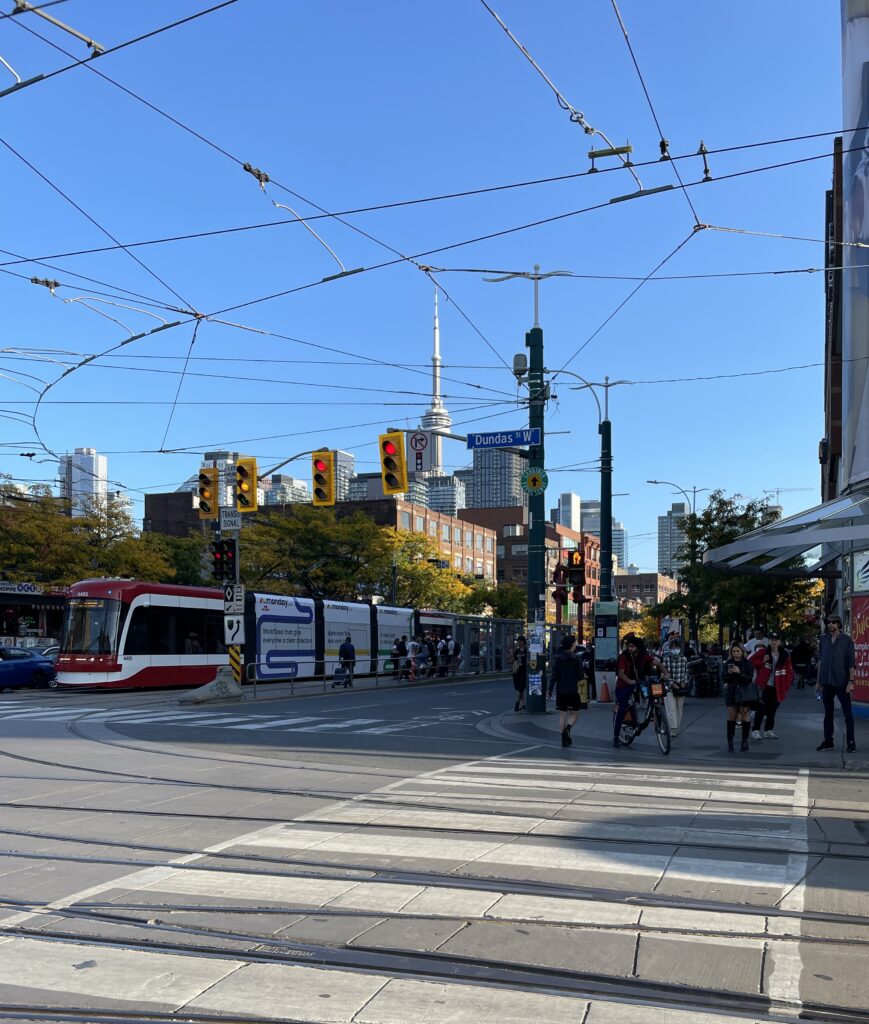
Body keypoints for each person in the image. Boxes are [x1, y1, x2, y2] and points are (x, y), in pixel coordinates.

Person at [816, 616, 857, 753]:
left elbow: (851, 664)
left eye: (833, 622)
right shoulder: (824, 640)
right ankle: (828, 741)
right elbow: (821, 661)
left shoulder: (846, 641)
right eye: (828, 623)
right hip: (827, 682)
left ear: (839, 624)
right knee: (828, 713)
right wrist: (818, 681)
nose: (830, 625)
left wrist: (851, 682)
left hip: (842, 682)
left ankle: (851, 742)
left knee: (848, 714)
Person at [613, 634, 662, 749]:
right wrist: (629, 681)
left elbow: (657, 663)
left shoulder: (643, 655)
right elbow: (621, 673)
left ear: (638, 648)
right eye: (628, 646)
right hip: (624, 685)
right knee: (622, 708)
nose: (629, 648)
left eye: (632, 646)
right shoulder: (624, 657)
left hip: (639, 682)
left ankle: (651, 712)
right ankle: (616, 736)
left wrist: (666, 673)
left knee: (654, 692)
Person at [750, 633, 793, 739]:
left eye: (776, 640)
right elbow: (750, 662)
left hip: (778, 686)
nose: (774, 642)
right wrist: (762, 661)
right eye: (772, 640)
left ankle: (769, 730)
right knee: (762, 708)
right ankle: (755, 730)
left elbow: (789, 671)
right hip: (764, 686)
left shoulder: (784, 655)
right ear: (768, 641)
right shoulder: (763, 652)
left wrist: (786, 685)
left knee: (773, 709)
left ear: (779, 642)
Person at [551, 635, 583, 747]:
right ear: (572, 645)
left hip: (561, 690)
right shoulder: (576, 659)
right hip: (572, 690)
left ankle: (563, 738)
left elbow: (554, 676)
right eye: (575, 643)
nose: (576, 644)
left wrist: (549, 690)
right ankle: (568, 729)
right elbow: (581, 675)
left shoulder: (558, 659)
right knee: (575, 712)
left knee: (562, 714)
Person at [724, 641, 756, 752]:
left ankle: (744, 741)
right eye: (733, 651)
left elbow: (749, 679)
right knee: (731, 717)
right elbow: (724, 679)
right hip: (732, 692)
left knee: (745, 716)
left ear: (742, 652)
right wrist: (728, 673)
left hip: (744, 693)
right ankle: (730, 741)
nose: (736, 654)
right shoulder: (728, 663)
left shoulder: (747, 663)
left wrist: (739, 672)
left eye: (738, 651)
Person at [662, 636, 688, 737]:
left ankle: (674, 726)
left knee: (679, 709)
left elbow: (686, 672)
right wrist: (672, 684)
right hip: (669, 687)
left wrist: (684, 682)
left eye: (677, 647)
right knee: (671, 708)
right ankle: (672, 729)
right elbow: (664, 675)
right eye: (673, 647)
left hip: (681, 687)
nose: (675, 650)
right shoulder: (666, 659)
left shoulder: (684, 659)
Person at [511, 636, 528, 712]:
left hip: (524, 672)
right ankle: (523, 705)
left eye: (520, 641)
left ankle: (517, 703)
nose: (518, 643)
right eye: (518, 641)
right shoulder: (517, 651)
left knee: (520, 689)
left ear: (523, 642)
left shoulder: (526, 651)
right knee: (520, 690)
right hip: (517, 672)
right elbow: (514, 661)